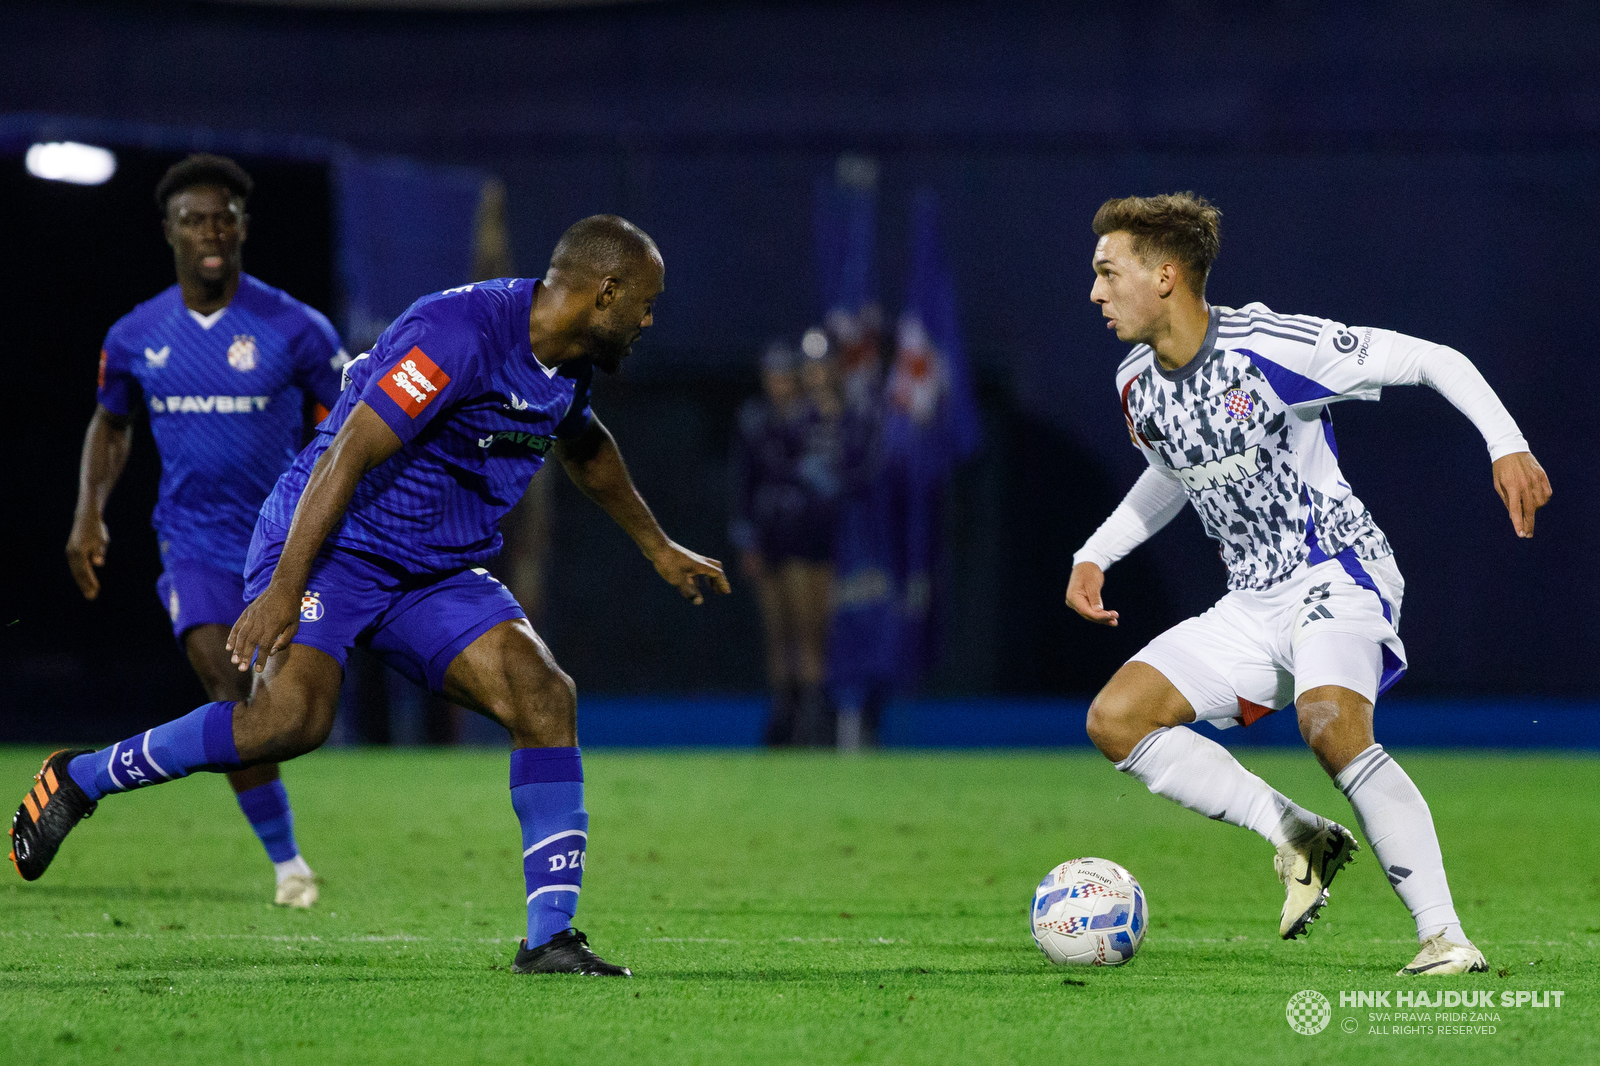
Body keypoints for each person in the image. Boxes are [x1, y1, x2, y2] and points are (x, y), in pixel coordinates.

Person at [13, 214, 730, 978]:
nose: (650, 320)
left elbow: (585, 446)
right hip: (335, 548)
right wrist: (286, 587)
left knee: (544, 694)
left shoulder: (570, 358)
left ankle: (549, 939)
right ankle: (80, 777)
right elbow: (348, 451)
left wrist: (657, 546)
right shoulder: (459, 332)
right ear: (605, 291)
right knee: (291, 720)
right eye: (646, 304)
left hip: (435, 569)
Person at [1066, 193, 1551, 977]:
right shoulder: (1136, 384)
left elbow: (1433, 359)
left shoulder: (1267, 345)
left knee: (1328, 724)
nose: (1094, 292)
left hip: (1337, 573)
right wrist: (1097, 554)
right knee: (1117, 720)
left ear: (1164, 276)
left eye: (1106, 272)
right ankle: (1298, 832)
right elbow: (1173, 471)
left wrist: (1506, 444)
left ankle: (1445, 938)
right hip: (1252, 602)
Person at [51, 154, 345, 907]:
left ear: (243, 226)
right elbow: (111, 424)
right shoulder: (135, 335)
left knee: (285, 715)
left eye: (224, 217)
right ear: (169, 231)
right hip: (194, 543)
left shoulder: (296, 328)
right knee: (229, 681)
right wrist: (90, 511)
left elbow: (352, 422)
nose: (211, 231)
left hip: (283, 545)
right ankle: (288, 865)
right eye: (194, 219)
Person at [730, 336, 843, 745]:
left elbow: (833, 478)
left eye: (784, 375)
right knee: (778, 633)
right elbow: (744, 483)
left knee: (810, 631)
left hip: (809, 536)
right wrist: (747, 540)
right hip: (772, 535)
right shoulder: (755, 420)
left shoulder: (817, 418)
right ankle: (786, 714)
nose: (778, 383)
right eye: (772, 375)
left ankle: (813, 720)